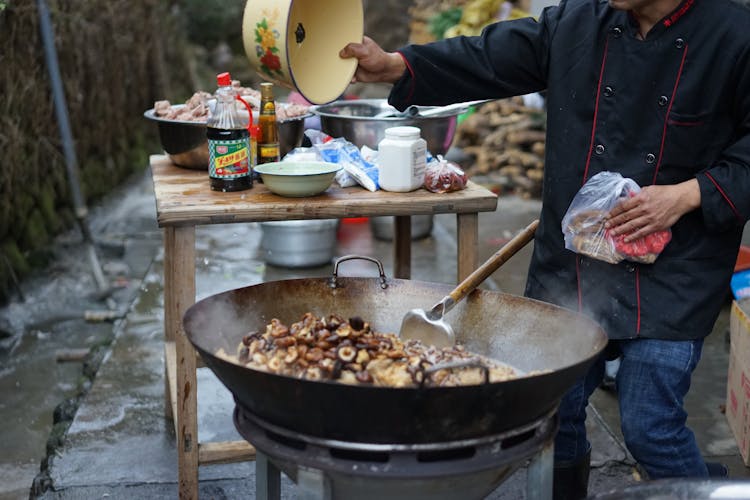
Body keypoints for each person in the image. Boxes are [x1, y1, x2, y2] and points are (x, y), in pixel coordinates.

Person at [340, 0, 750, 497]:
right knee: (556, 414)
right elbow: (491, 56)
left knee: (650, 426)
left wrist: (688, 194)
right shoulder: (580, 21)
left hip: (673, 270)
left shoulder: (735, 34)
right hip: (575, 263)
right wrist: (397, 65)